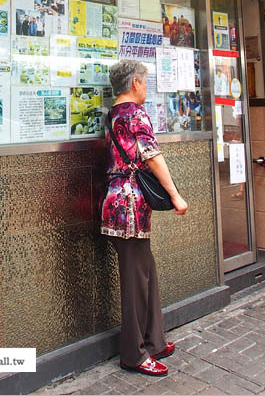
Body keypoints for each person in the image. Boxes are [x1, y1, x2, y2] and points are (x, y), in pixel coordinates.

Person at [101, 60, 187, 377]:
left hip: (114, 202)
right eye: (145, 82)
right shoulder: (135, 114)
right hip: (129, 209)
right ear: (135, 82)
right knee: (136, 282)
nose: (145, 87)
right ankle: (134, 354)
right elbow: (152, 155)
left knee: (145, 271)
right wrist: (175, 194)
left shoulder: (112, 115)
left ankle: (154, 339)